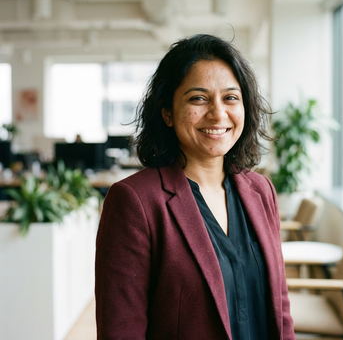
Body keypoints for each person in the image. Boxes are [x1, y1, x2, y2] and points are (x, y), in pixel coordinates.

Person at [95, 34, 295, 340]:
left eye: (230, 98)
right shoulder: (135, 202)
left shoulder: (261, 190)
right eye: (198, 98)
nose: (218, 113)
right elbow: (121, 330)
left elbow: (280, 310)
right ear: (167, 113)